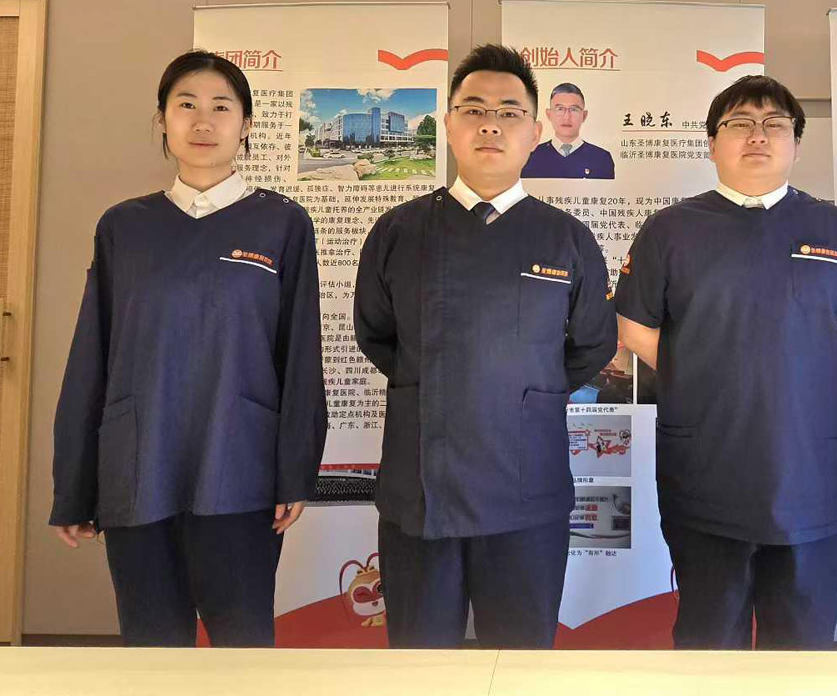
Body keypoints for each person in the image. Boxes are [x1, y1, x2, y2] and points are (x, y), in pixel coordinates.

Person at [50, 50, 327, 647]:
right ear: (162, 120)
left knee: (242, 650)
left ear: (246, 125)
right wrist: (74, 485)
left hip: (241, 470)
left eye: (221, 107)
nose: (204, 122)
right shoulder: (125, 226)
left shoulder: (282, 224)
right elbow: (91, 356)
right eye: (186, 105)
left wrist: (294, 473)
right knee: (152, 652)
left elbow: (301, 359)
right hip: (139, 467)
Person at [615, 75, 837, 649]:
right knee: (708, 641)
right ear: (712, 143)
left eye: (775, 124)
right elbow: (635, 328)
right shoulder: (670, 229)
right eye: (740, 123)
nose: (758, 136)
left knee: (802, 647)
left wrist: (798, 366)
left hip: (808, 471)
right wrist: (706, 371)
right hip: (705, 469)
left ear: (796, 142)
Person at [354, 45, 616, 648]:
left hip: (528, 486)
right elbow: (377, 335)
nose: (490, 125)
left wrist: (523, 392)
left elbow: (591, 345)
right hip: (421, 491)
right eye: (473, 110)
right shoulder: (398, 231)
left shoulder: (567, 239)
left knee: (521, 663)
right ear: (449, 125)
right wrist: (436, 381)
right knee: (421, 668)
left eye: (509, 112)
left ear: (535, 132)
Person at [521, 82, 615, 179]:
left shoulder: (601, 158)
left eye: (574, 109)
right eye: (560, 109)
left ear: (584, 115)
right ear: (549, 114)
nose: (567, 117)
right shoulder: (529, 157)